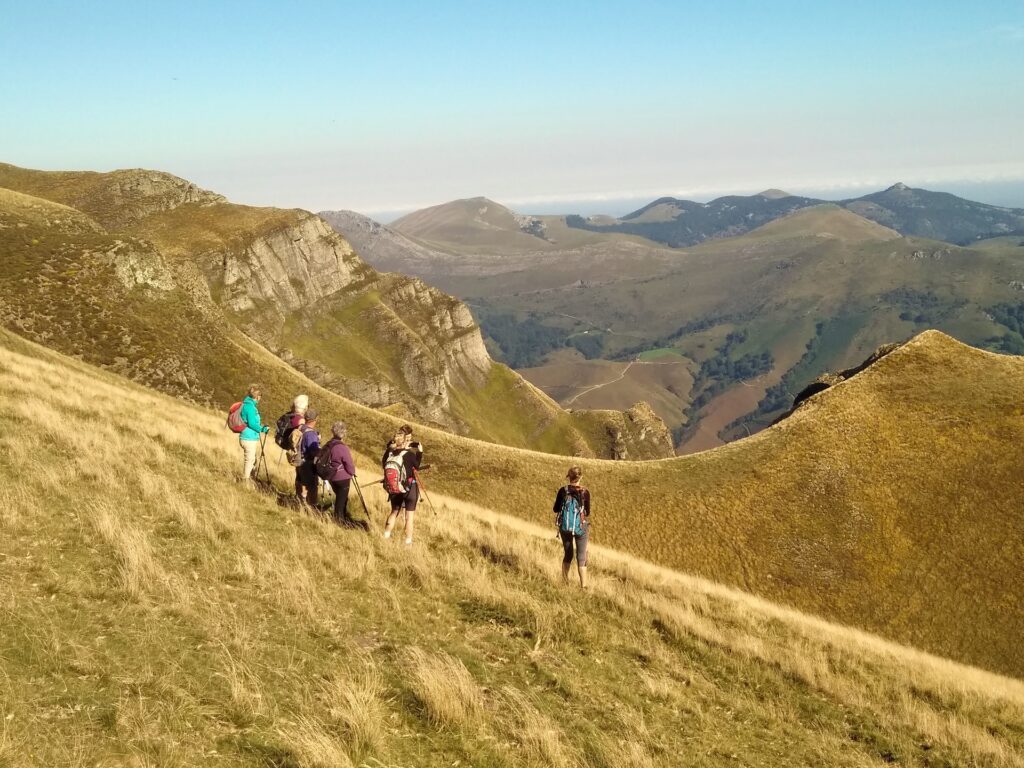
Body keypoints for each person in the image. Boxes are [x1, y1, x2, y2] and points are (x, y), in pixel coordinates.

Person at [382, 427, 422, 545]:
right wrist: (420, 452)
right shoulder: (409, 454)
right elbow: (417, 466)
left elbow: (384, 465)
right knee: (409, 517)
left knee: (394, 512)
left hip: (395, 487)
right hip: (410, 488)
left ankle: (386, 535)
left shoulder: (390, 454)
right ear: (405, 441)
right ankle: (408, 542)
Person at [319, 421, 363, 528]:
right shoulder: (342, 447)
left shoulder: (329, 444)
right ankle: (339, 522)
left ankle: (342, 517)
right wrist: (352, 472)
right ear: (344, 433)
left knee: (341, 498)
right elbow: (349, 463)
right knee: (341, 500)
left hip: (331, 477)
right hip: (342, 479)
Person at [553, 466, 591, 589]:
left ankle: (564, 582)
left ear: (569, 477)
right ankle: (583, 587)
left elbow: (556, 509)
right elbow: (587, 512)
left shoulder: (562, 491)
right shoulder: (585, 492)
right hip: (580, 528)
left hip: (565, 527)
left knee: (568, 554)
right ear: (581, 477)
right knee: (581, 557)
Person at [238, 385, 270, 483]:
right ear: (257, 396)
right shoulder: (250, 407)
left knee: (252, 459)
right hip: (249, 437)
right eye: (260, 396)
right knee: (250, 460)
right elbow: (252, 423)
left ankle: (250, 479)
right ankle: (245, 481)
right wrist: (263, 429)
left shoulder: (245, 404)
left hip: (245, 436)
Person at [296, 409, 322, 507]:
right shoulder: (311, 434)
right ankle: (312, 507)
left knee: (300, 482)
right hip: (308, 464)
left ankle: (299, 503)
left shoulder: (301, 427)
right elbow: (313, 451)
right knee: (312, 487)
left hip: (299, 460)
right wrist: (319, 445)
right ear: (314, 420)